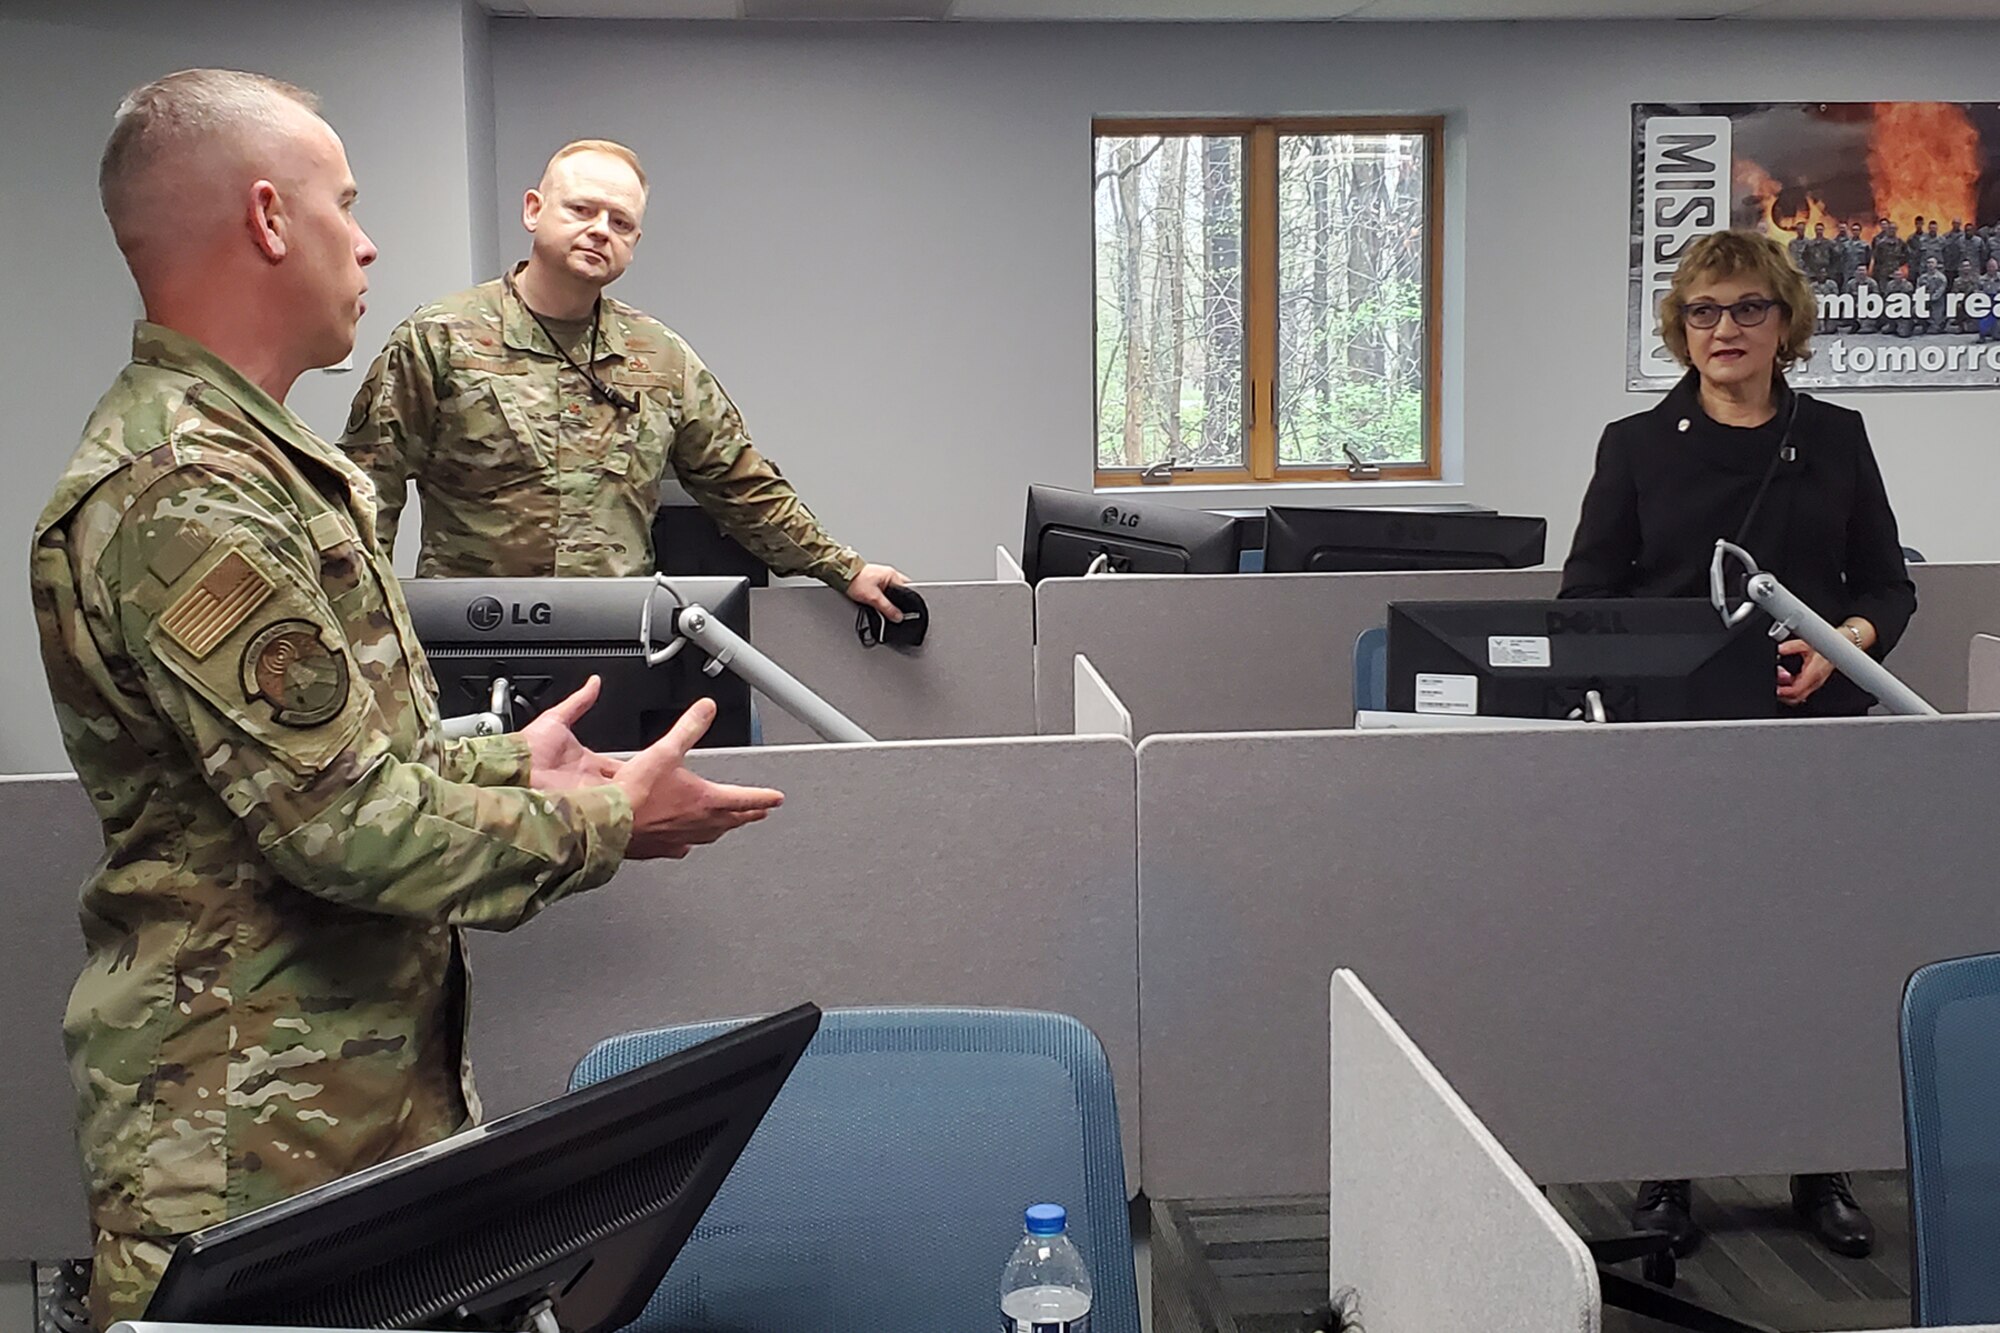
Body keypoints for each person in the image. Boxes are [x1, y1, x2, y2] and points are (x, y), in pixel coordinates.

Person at [32, 70, 786, 1326]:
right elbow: (339, 828)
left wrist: (503, 766)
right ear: (270, 219)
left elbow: (330, 762)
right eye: (344, 202)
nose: (368, 236)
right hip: (239, 1139)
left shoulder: (263, 464)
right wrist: (606, 822)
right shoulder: (190, 493)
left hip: (346, 1102)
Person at [1560, 229, 1915, 1260]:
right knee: (1677, 954)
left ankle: (1818, 1165)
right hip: (1678, 744)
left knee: (1810, 953)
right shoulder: (1633, 447)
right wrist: (1669, 662)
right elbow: (1584, 598)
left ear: (1783, 322)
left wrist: (1837, 645)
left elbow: (1883, 584)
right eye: (1704, 310)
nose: (1724, 328)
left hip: (1814, 741)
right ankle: (1666, 1167)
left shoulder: (1836, 436)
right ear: (1679, 326)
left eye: (1746, 308)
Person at [340, 138, 909, 621]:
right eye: (581, 210)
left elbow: (740, 484)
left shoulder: (658, 358)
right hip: (475, 629)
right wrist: (362, 630)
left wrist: (844, 568)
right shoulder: (441, 337)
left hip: (615, 631)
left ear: (634, 243)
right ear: (533, 210)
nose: (599, 231)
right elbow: (368, 491)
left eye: (620, 222)